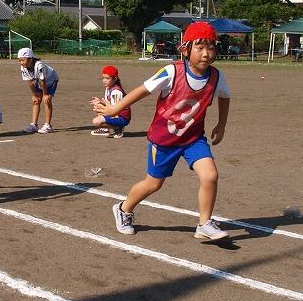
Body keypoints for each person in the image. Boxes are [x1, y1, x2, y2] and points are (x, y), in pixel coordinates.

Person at [95, 21, 231, 241]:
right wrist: (115, 108)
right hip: (164, 141)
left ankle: (204, 224)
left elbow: (225, 96)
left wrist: (221, 124)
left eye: (211, 47)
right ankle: (123, 209)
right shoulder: (172, 72)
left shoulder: (216, 77)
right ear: (185, 50)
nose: (206, 53)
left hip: (193, 138)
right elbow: (143, 90)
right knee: (153, 184)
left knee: (210, 175)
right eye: (199, 47)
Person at [18, 47, 59, 134]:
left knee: (46, 100)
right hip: (40, 81)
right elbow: (29, 82)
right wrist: (35, 95)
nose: (21, 62)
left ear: (30, 59)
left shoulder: (39, 65)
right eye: (20, 60)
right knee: (36, 101)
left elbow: (42, 80)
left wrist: (45, 94)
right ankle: (34, 125)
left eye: (23, 60)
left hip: (51, 80)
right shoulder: (23, 68)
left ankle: (48, 126)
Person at [90, 65, 130, 138]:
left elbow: (116, 110)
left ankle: (119, 127)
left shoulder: (116, 92)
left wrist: (103, 111)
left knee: (96, 122)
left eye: (107, 78)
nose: (104, 80)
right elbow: (109, 104)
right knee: (98, 105)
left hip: (122, 118)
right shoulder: (108, 87)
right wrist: (99, 101)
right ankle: (105, 130)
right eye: (103, 78)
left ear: (115, 79)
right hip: (115, 113)